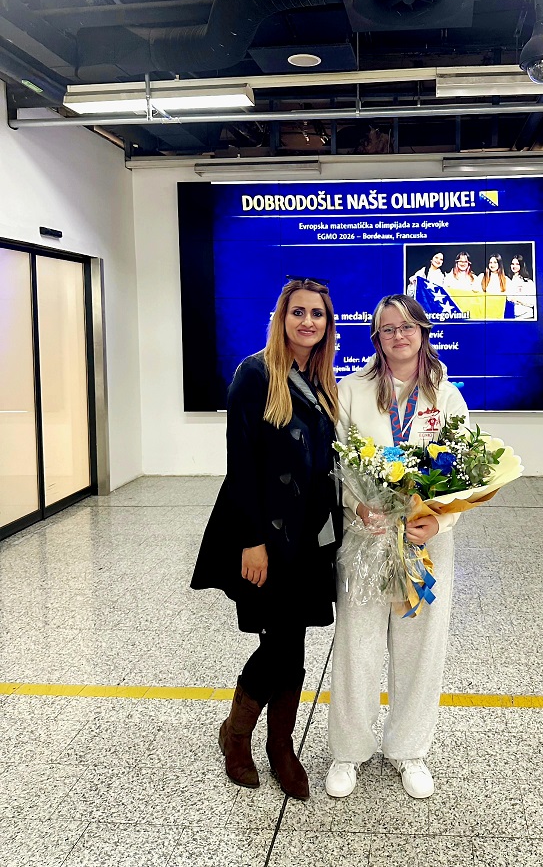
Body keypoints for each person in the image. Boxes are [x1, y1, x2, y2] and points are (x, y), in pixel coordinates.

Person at [191, 278, 340, 802]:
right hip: (267, 539)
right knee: (279, 645)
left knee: (291, 645)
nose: (307, 321)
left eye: (317, 314)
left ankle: (280, 746)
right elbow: (241, 466)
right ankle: (237, 737)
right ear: (282, 317)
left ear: (327, 324)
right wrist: (251, 541)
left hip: (310, 540)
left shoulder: (321, 379)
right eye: (298, 312)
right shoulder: (254, 374)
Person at [325, 294, 469, 801]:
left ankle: (409, 749)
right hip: (366, 539)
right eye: (388, 329)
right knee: (357, 646)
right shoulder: (351, 390)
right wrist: (357, 505)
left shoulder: (446, 397)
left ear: (423, 332)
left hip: (424, 544)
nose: (398, 336)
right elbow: (336, 463)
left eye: (407, 326)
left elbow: (466, 473)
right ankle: (349, 750)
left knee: (420, 648)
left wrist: (439, 521)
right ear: (377, 339)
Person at [506, 254, 537, 318]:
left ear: (521, 265)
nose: (514, 266)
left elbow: (532, 302)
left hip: (526, 316)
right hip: (512, 316)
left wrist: (517, 299)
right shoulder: (508, 281)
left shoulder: (528, 282)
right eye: (512, 264)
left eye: (517, 264)